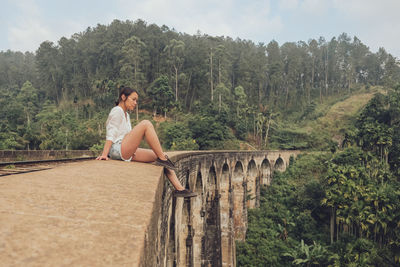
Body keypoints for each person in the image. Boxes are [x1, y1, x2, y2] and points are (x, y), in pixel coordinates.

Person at [96, 87, 197, 198]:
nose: (135, 103)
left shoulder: (126, 115)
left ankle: (179, 189)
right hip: (117, 149)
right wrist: (104, 154)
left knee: (159, 155)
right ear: (123, 97)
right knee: (146, 124)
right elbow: (111, 133)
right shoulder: (117, 111)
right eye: (133, 99)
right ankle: (163, 159)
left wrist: (131, 148)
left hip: (125, 149)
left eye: (136, 100)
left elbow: (127, 136)